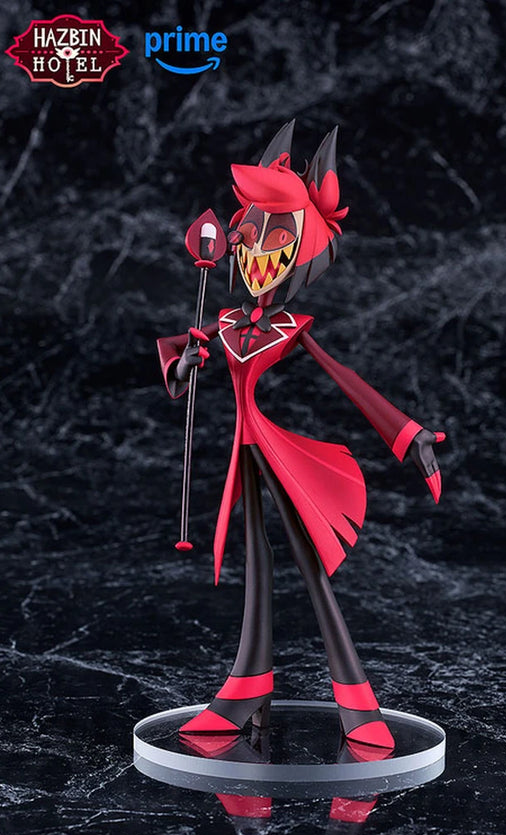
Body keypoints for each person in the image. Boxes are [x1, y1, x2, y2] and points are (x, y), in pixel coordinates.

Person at [157, 122, 445, 751]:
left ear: (304, 252)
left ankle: (356, 698)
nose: (257, 249)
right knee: (256, 562)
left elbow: (347, 380)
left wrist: (410, 435)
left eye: (278, 236)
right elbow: (179, 355)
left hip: (276, 452)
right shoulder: (225, 320)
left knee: (309, 566)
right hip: (245, 453)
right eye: (249, 232)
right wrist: (185, 365)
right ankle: (248, 684)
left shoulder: (291, 325)